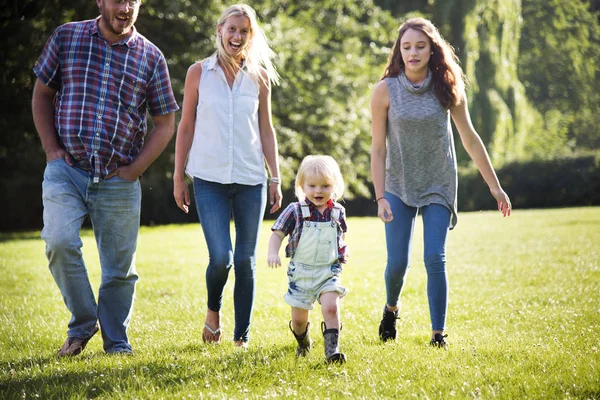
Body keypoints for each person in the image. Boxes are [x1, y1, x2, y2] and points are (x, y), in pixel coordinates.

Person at [31, 0, 179, 356]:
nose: (125, 7)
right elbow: (41, 94)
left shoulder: (151, 56)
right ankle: (84, 323)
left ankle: (117, 343)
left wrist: (136, 169)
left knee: (119, 270)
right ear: (100, 0)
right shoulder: (67, 37)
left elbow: (164, 123)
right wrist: (51, 148)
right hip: (67, 169)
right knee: (59, 241)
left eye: (133, 0)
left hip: (118, 177)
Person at [370, 17, 512, 348]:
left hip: (438, 183)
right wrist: (380, 197)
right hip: (398, 184)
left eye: (420, 46)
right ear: (399, 51)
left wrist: (495, 186)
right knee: (397, 264)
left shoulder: (447, 87)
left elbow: (471, 139)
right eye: (406, 47)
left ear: (433, 49)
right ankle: (391, 308)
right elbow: (378, 148)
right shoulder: (385, 90)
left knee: (434, 256)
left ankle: (438, 334)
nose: (413, 52)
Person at [173, 4, 282, 348]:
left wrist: (275, 178)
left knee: (245, 261)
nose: (237, 36)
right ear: (219, 30)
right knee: (221, 257)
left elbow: (266, 129)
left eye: (244, 31)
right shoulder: (198, 73)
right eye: (231, 29)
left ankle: (241, 339)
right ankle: (213, 311)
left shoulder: (260, 77)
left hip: (252, 180)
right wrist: (179, 177)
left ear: (251, 36)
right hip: (209, 180)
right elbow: (186, 126)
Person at [268, 155, 348, 363]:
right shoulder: (295, 210)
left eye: (325, 186)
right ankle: (303, 342)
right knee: (299, 320)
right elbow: (277, 233)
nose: (318, 191)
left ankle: (332, 350)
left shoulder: (338, 212)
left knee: (331, 307)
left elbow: (340, 236)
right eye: (312, 186)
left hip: (328, 271)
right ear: (302, 186)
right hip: (301, 274)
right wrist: (272, 252)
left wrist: (342, 253)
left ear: (334, 186)